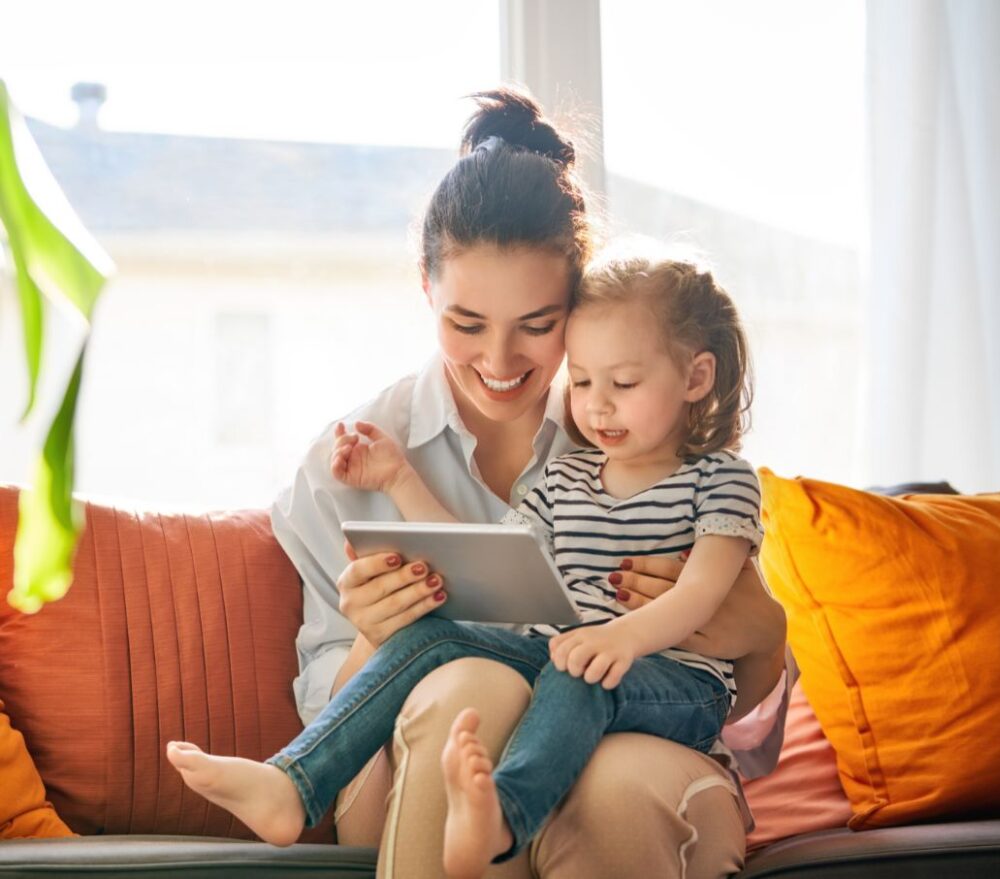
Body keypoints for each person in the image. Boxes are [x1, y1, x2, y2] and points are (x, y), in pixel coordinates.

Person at [167, 88, 791, 878]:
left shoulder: (647, 430)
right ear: (425, 290)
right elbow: (342, 710)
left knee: (617, 782)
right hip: (401, 763)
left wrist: (763, 635)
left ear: (582, 303)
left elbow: (752, 735)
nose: (500, 363)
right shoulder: (351, 463)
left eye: (538, 325)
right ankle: (316, 787)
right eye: (466, 325)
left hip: (637, 728)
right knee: (469, 683)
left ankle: (507, 813)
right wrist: (373, 634)